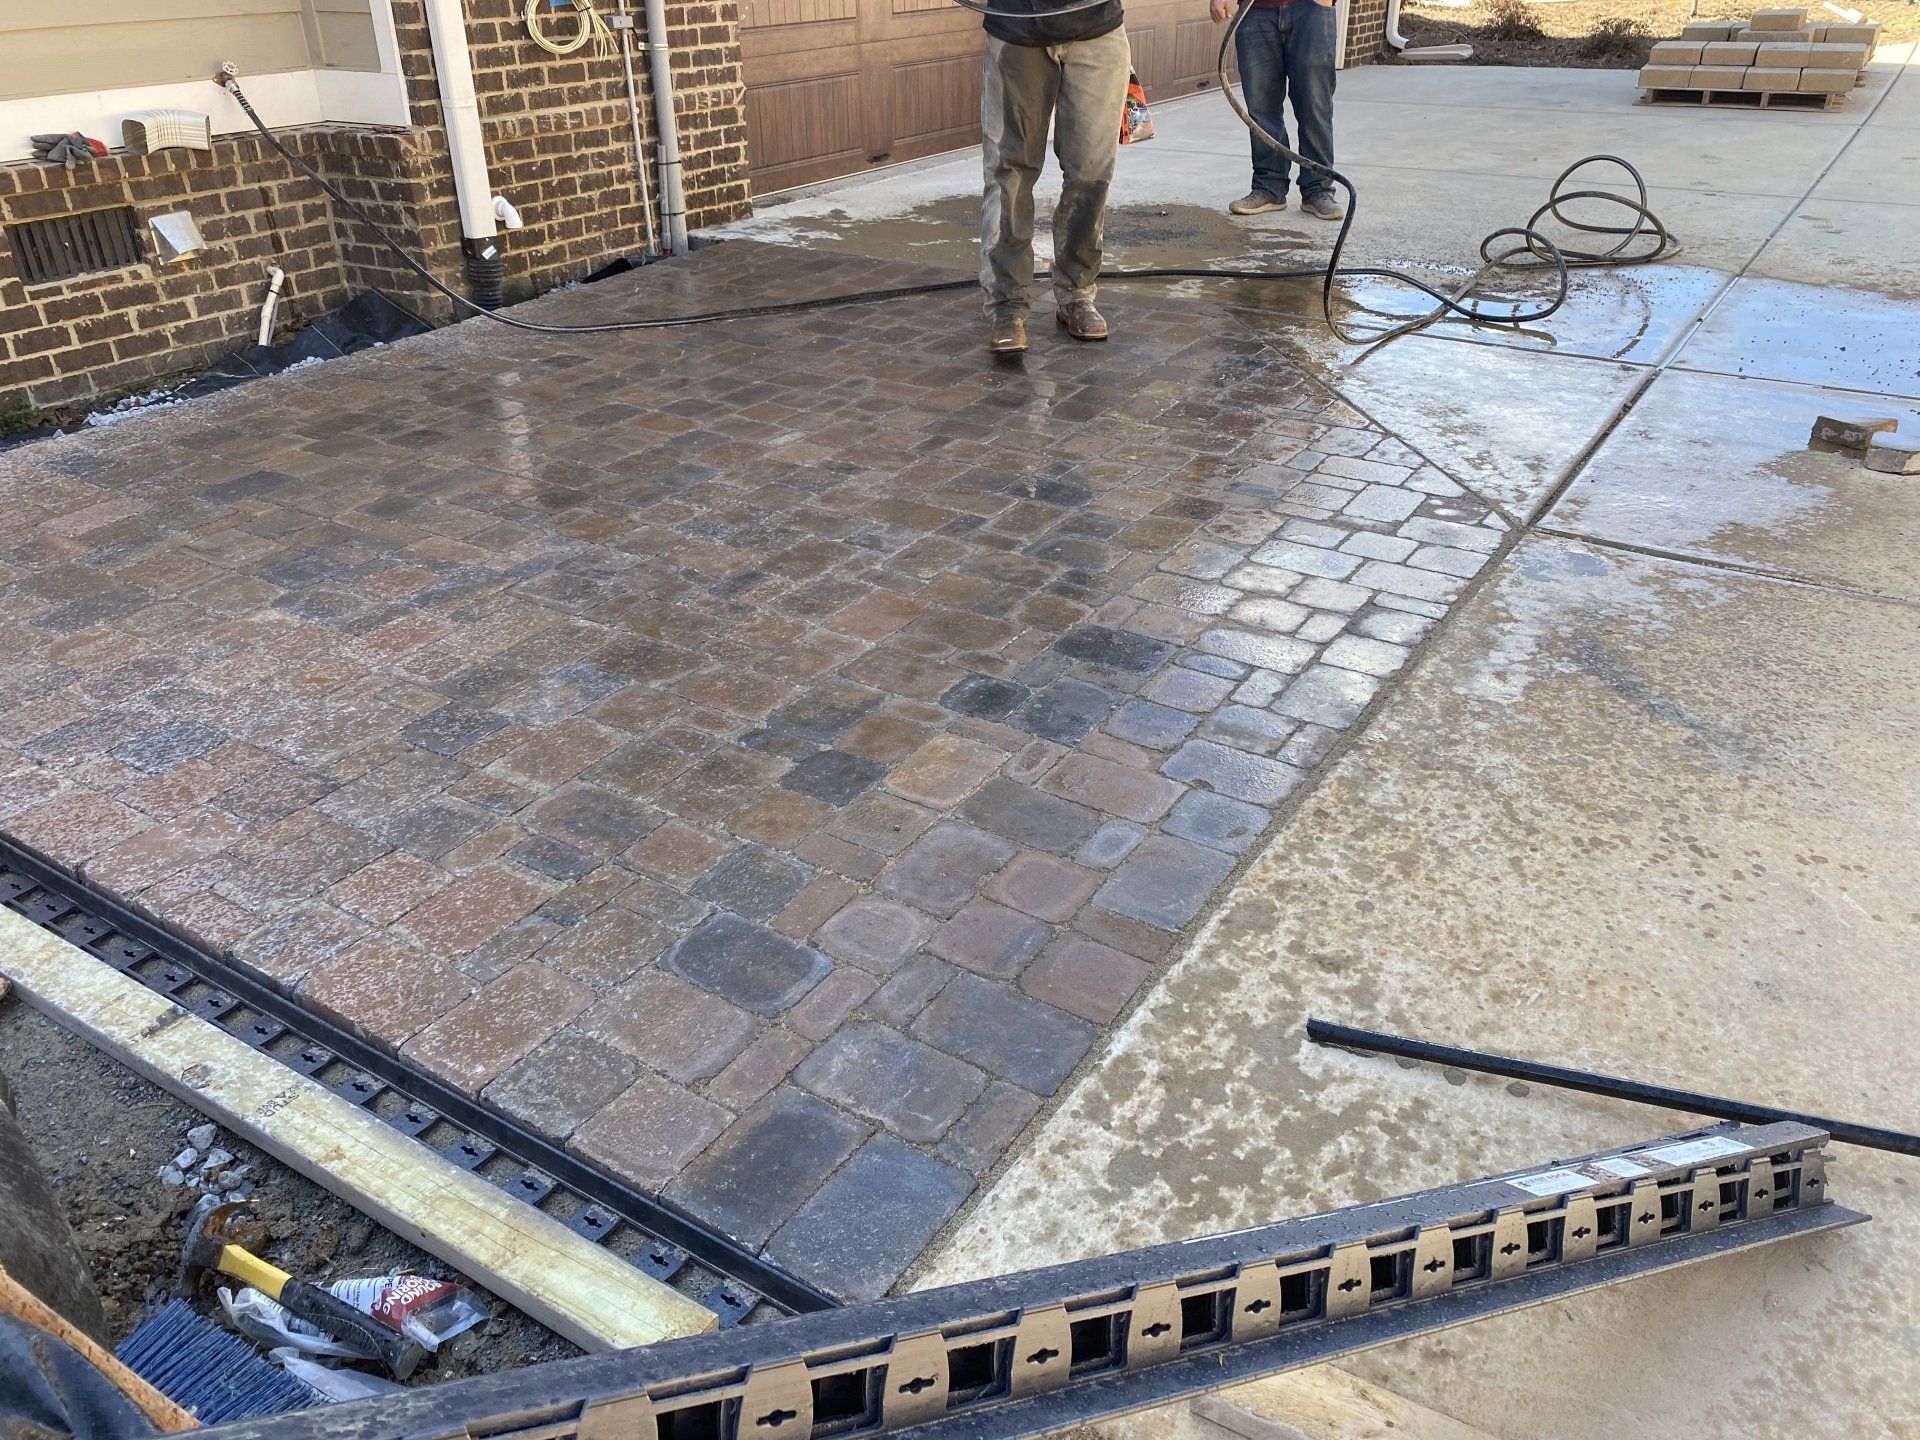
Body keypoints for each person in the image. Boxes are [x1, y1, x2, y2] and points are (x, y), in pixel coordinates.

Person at [978, 0, 1132, 355]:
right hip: (1016, 27)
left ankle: (1076, 293)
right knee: (1010, 172)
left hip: (1097, 28)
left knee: (1091, 171)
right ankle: (1007, 307)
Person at [1211, 0, 1345, 221]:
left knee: (1314, 104)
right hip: (1255, 10)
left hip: (1311, 9)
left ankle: (1318, 189)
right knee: (1261, 106)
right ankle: (1269, 187)